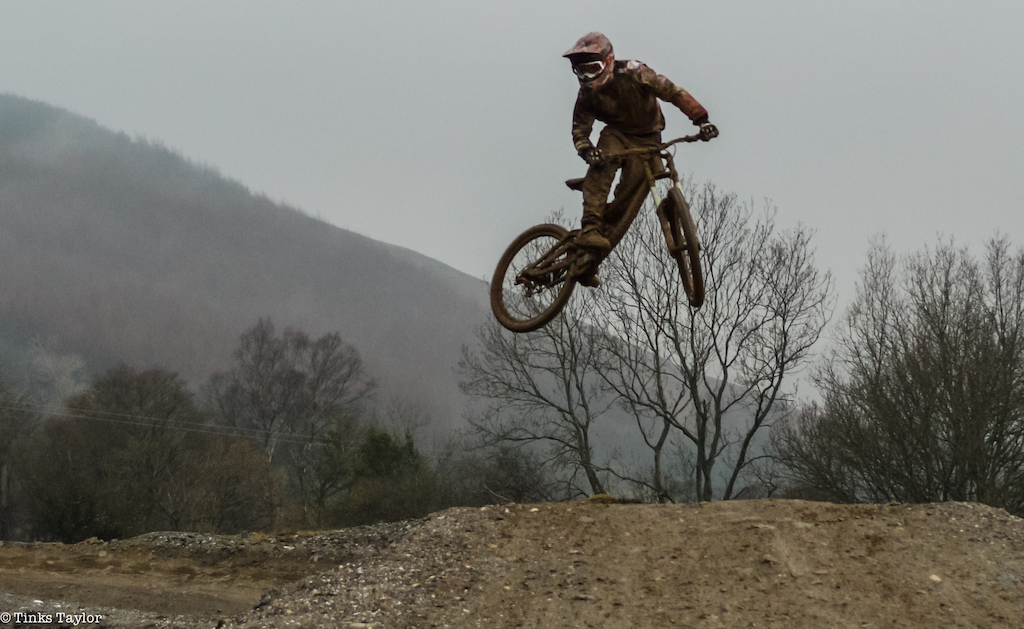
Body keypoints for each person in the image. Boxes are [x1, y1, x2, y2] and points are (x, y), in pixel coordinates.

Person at [564, 32, 718, 287]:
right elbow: (580, 131)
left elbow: (673, 92)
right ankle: (590, 227)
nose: (587, 77)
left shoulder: (635, 72)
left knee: (629, 203)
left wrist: (701, 120)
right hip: (617, 135)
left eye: (592, 69)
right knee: (603, 163)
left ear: (608, 61)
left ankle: (590, 258)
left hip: (648, 139)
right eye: (580, 71)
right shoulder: (586, 96)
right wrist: (587, 151)